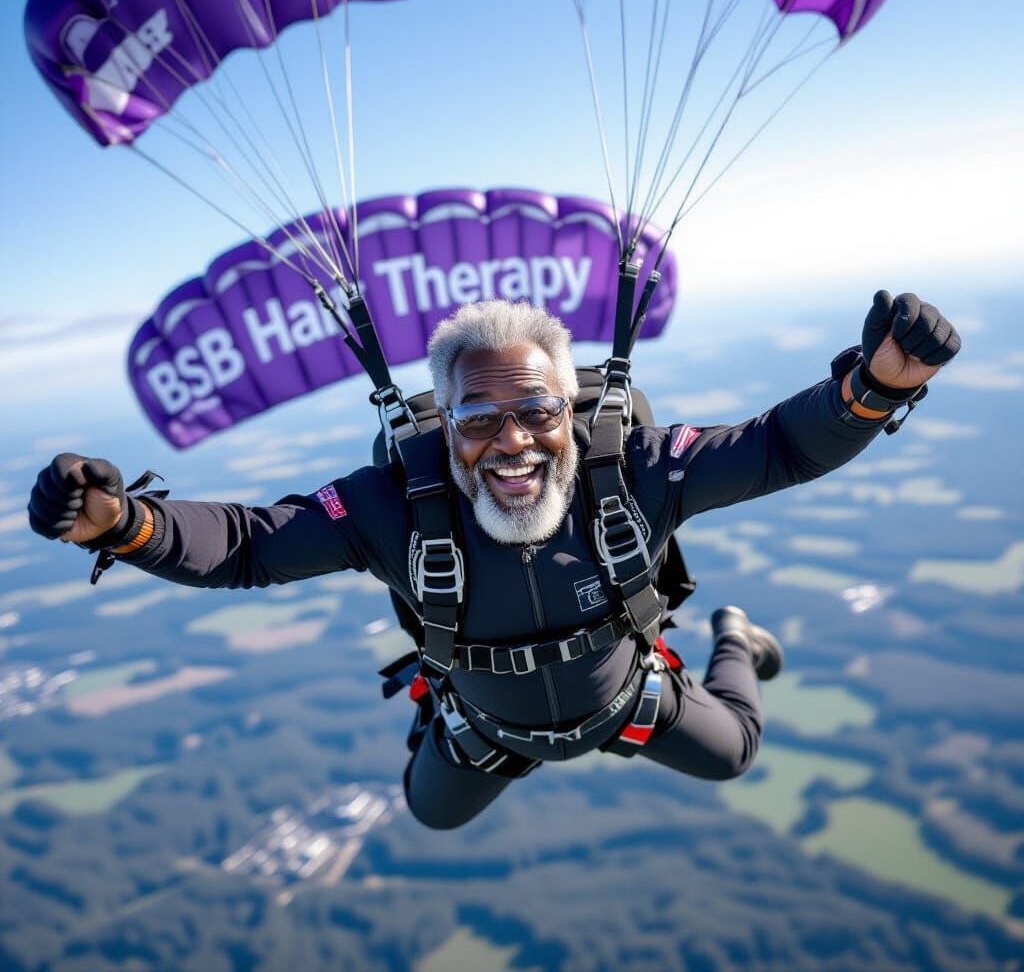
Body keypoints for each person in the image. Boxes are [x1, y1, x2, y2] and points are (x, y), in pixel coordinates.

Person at [28, 291, 959, 829]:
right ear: (445, 424)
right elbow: (247, 546)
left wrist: (872, 388)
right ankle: (441, 712)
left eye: (538, 412)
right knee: (430, 811)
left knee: (736, 754)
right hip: (488, 725)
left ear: (569, 408)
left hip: (627, 698)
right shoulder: (394, 505)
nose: (512, 442)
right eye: (479, 418)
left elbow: (780, 446)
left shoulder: (637, 470)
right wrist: (122, 523)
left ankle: (735, 639)